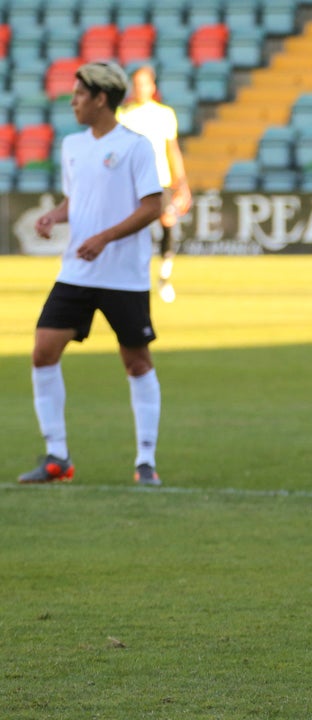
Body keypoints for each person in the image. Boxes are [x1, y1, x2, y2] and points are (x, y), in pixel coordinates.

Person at [18, 61, 165, 487]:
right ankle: (57, 457)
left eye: (80, 93)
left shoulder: (136, 146)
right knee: (43, 351)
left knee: (136, 362)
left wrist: (105, 237)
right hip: (78, 270)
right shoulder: (72, 145)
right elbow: (76, 199)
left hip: (123, 275)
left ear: (101, 98)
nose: (73, 100)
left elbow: (152, 206)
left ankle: (145, 462)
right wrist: (55, 216)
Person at [117, 64, 191, 303]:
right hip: (130, 183)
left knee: (168, 223)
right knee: (132, 230)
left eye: (144, 83)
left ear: (152, 87)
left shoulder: (164, 114)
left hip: (159, 180)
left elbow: (172, 150)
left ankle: (164, 276)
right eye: (136, 84)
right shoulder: (123, 115)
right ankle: (131, 280)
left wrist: (182, 182)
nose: (140, 88)